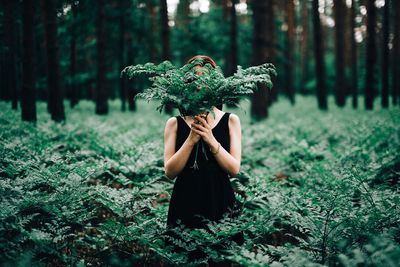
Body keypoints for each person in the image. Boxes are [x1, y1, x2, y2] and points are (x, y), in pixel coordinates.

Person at [163, 55, 245, 263]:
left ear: (215, 83)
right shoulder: (174, 123)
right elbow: (170, 172)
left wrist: (210, 139)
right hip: (186, 199)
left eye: (206, 77)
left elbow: (234, 169)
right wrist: (191, 140)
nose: (200, 83)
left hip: (220, 198)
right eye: (194, 78)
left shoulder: (230, 120)